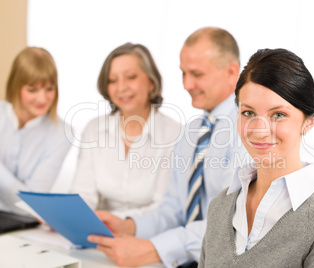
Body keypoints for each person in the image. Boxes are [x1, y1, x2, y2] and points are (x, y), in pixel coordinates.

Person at [87, 27, 249, 267]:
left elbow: (232, 223)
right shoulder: (190, 133)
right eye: (183, 73)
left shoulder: (250, 131)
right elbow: (173, 210)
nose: (186, 84)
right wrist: (129, 226)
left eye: (196, 74)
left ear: (231, 72)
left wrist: (154, 249)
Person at [199, 48, 314, 267]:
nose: (259, 130)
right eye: (248, 113)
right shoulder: (220, 206)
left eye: (278, 115)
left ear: (308, 122)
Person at [71, 43, 181, 219]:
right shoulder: (94, 130)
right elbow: (83, 194)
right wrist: (66, 214)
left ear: (152, 82)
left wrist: (119, 222)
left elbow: (165, 208)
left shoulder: (175, 134)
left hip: (149, 236)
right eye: (112, 80)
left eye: (130, 77)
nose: (121, 87)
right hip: (101, 231)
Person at [0, 47, 71, 214]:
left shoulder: (62, 134)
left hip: (22, 223)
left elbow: (31, 203)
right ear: (16, 87)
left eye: (49, 89)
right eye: (32, 90)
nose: (42, 98)